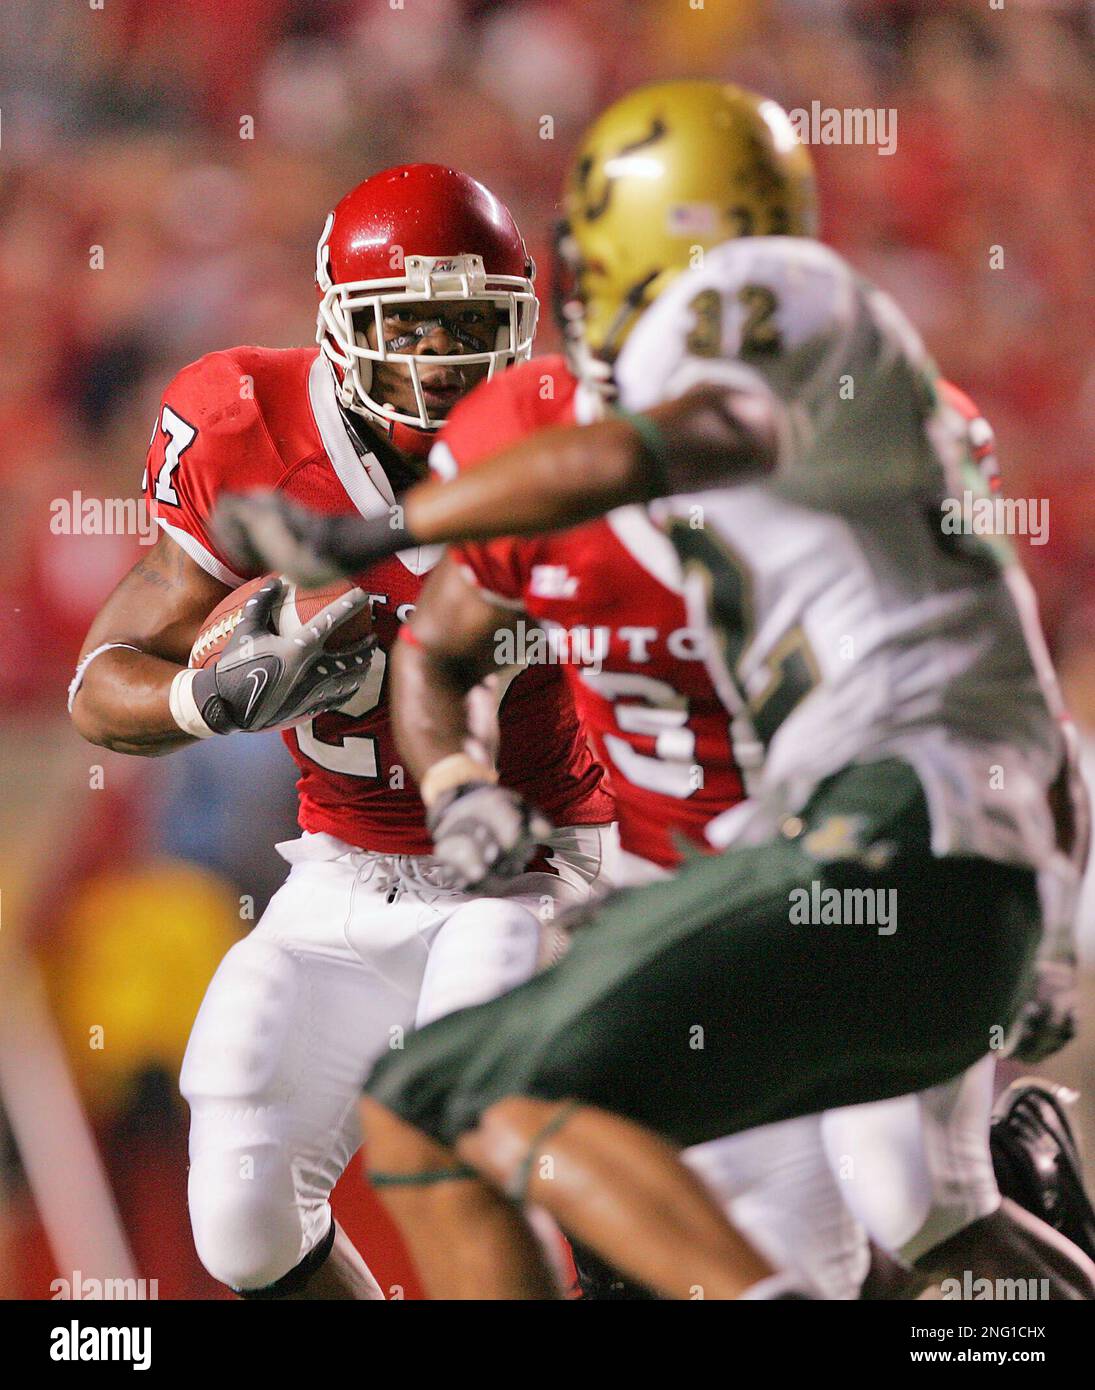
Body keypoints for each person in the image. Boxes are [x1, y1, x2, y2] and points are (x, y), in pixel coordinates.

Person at [217, 86, 1093, 1300]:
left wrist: (381, 529)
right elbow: (450, 641)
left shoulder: (750, 337)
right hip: (840, 861)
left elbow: (673, 440)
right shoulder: (606, 428)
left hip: (855, 843)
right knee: (918, 1215)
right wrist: (463, 776)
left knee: (478, 1099)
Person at [69, 164, 616, 1299]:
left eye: (471, 325)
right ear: (337, 326)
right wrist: (205, 700)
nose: (442, 359)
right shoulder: (247, 429)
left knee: (469, 1107)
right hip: (343, 871)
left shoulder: (571, 445)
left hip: (533, 870)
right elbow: (98, 682)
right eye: (407, 325)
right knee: (242, 1213)